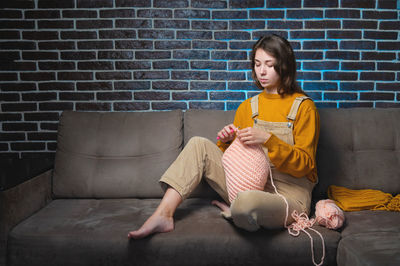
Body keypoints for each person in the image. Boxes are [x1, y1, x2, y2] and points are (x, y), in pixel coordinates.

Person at [128, 34, 320, 239]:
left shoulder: (304, 107)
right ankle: (163, 215)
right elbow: (237, 162)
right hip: (250, 185)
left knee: (246, 203)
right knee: (198, 144)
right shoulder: (248, 107)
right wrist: (226, 142)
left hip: (288, 195)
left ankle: (238, 210)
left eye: (269, 64)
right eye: (257, 64)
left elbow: (306, 165)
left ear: (284, 66)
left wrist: (268, 140)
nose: (261, 71)